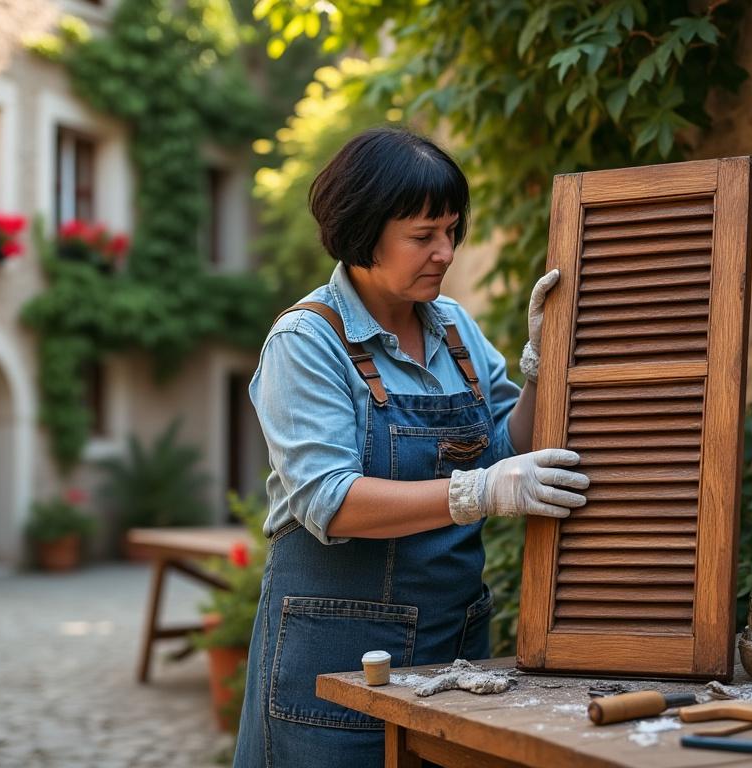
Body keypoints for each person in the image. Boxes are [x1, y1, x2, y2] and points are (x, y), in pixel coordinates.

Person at [233, 127, 589, 767]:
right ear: (363, 231)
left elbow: (511, 445)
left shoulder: (454, 328)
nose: (445, 252)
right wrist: (481, 491)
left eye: (451, 231)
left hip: (455, 649)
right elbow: (328, 500)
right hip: (337, 661)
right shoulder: (306, 341)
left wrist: (545, 366)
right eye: (423, 237)